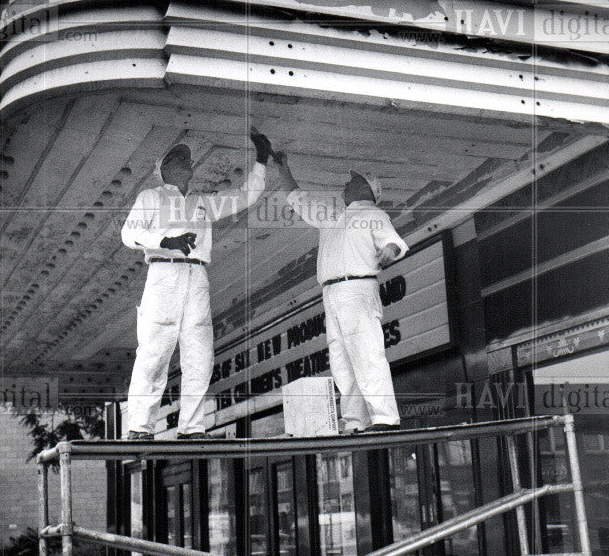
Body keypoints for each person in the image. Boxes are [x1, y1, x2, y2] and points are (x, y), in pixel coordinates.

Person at [120, 132, 273, 440]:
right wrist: (166, 241)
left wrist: (260, 161)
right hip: (164, 274)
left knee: (200, 356)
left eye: (187, 158)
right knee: (154, 352)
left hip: (197, 278)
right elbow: (129, 234)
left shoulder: (203, 202)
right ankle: (140, 427)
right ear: (163, 169)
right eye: (177, 158)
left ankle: (192, 427)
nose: (186, 161)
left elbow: (246, 196)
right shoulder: (152, 197)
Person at [273, 151, 408, 433]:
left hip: (358, 287)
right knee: (342, 361)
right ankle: (356, 421)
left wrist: (388, 251)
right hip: (332, 292)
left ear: (366, 190)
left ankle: (385, 417)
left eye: (353, 181)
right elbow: (298, 197)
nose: (345, 186)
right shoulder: (331, 216)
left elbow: (393, 242)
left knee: (367, 352)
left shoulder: (373, 213)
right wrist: (283, 169)